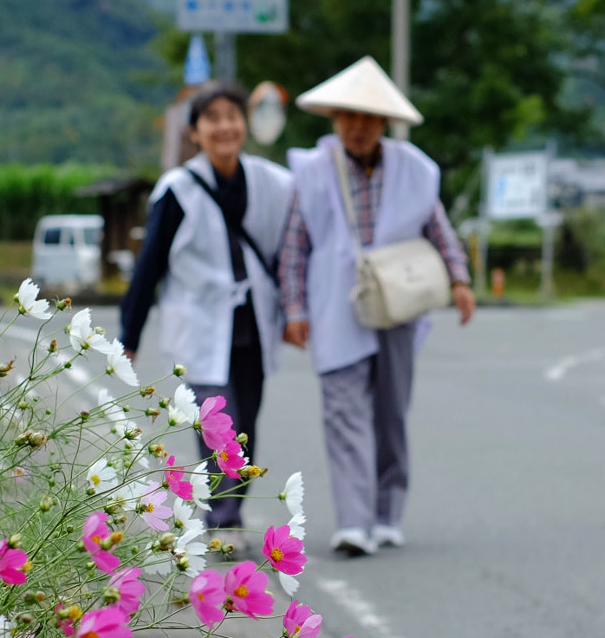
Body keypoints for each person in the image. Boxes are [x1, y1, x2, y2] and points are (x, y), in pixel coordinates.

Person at [277, 56, 474, 557]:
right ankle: (353, 521)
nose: (357, 127)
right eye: (348, 116)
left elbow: (439, 228)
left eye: (368, 117)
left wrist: (460, 280)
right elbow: (294, 245)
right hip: (334, 306)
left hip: (397, 305)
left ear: (384, 122)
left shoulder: (413, 171)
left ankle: (387, 512)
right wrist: (294, 308)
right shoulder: (313, 171)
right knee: (343, 412)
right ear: (334, 119)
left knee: (390, 413)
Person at [120, 83, 293, 534]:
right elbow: (148, 266)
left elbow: (292, 246)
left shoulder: (271, 181)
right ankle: (224, 519)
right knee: (218, 425)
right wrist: (130, 336)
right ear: (195, 132)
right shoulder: (178, 189)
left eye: (232, 116)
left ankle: (229, 511)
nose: (224, 126)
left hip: (252, 325)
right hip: (199, 325)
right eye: (211, 118)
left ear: (245, 123)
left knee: (245, 425)